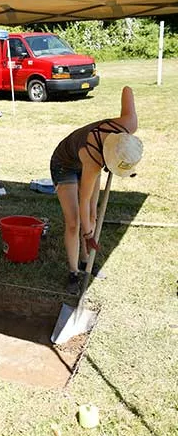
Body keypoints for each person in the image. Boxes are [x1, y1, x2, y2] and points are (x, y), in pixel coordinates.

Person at [50, 86, 143, 294]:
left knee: (92, 214)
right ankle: (74, 272)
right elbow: (83, 200)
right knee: (75, 222)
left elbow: (127, 90)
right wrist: (89, 234)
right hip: (64, 163)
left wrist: (90, 226)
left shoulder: (129, 125)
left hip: (95, 155)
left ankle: (86, 261)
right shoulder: (93, 162)